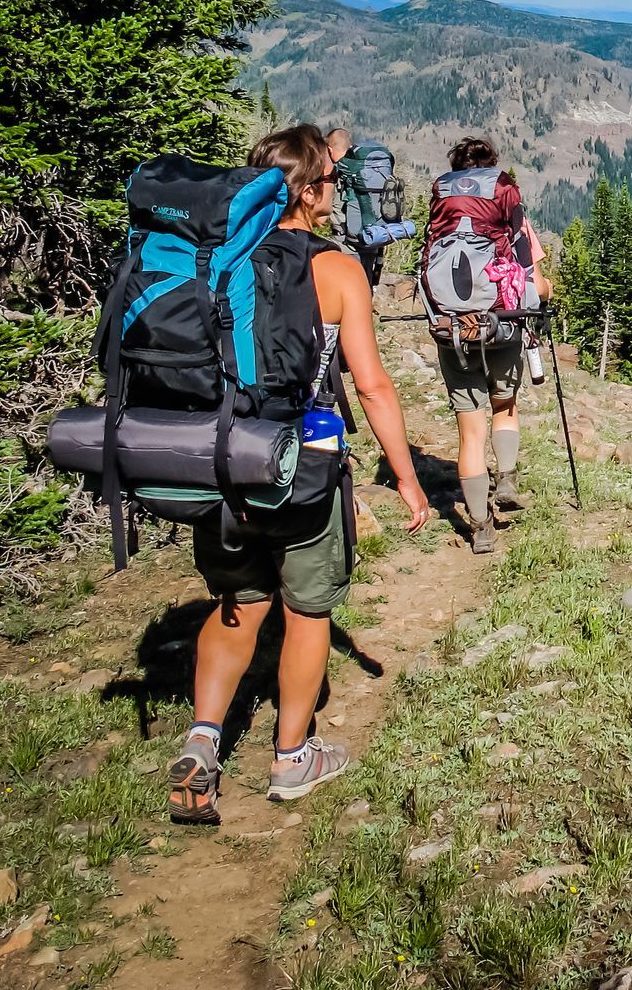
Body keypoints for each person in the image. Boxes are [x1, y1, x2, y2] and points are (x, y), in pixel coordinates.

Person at [168, 125, 434, 823]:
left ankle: (202, 742)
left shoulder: (216, 259)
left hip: (221, 460)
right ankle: (291, 758)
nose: (334, 195)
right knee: (306, 609)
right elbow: (372, 387)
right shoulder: (337, 270)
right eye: (329, 184)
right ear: (312, 192)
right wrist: (405, 477)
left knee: (238, 605)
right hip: (305, 466)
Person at [424, 136, 550, 553]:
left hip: (453, 329)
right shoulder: (504, 190)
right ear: (491, 166)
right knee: (504, 405)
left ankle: (480, 527)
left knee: (469, 432)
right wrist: (539, 296)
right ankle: (508, 479)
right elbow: (525, 261)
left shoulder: (441, 196)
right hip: (501, 323)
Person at [324, 127, 383, 288]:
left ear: (329, 149)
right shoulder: (366, 169)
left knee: (344, 291)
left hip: (345, 243)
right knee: (364, 287)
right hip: (371, 239)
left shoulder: (338, 172)